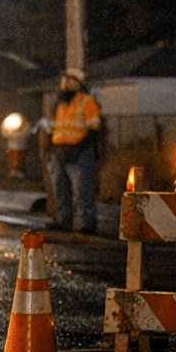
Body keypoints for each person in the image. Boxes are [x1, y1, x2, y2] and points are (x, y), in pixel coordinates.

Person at [47, 68, 101, 235]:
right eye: (64, 81)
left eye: (68, 81)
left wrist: (79, 148)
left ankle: (88, 224)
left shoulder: (87, 102)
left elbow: (94, 129)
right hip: (60, 151)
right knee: (61, 188)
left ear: (77, 84)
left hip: (81, 152)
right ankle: (64, 222)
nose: (64, 85)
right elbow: (53, 128)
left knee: (82, 188)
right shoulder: (60, 104)